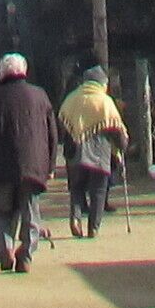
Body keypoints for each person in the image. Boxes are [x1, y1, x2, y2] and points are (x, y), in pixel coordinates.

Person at [0, 52, 58, 274]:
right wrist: (51, 166)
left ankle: (6, 248)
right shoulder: (40, 96)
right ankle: (26, 254)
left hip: (1, 167)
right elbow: (52, 134)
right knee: (31, 214)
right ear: (24, 71)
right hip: (34, 166)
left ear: (2, 72)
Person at [57, 64, 128, 238]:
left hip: (75, 151)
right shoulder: (105, 101)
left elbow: (62, 124)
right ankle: (93, 227)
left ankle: (75, 217)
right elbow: (116, 129)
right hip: (100, 152)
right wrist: (122, 147)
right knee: (98, 190)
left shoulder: (72, 98)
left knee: (76, 188)